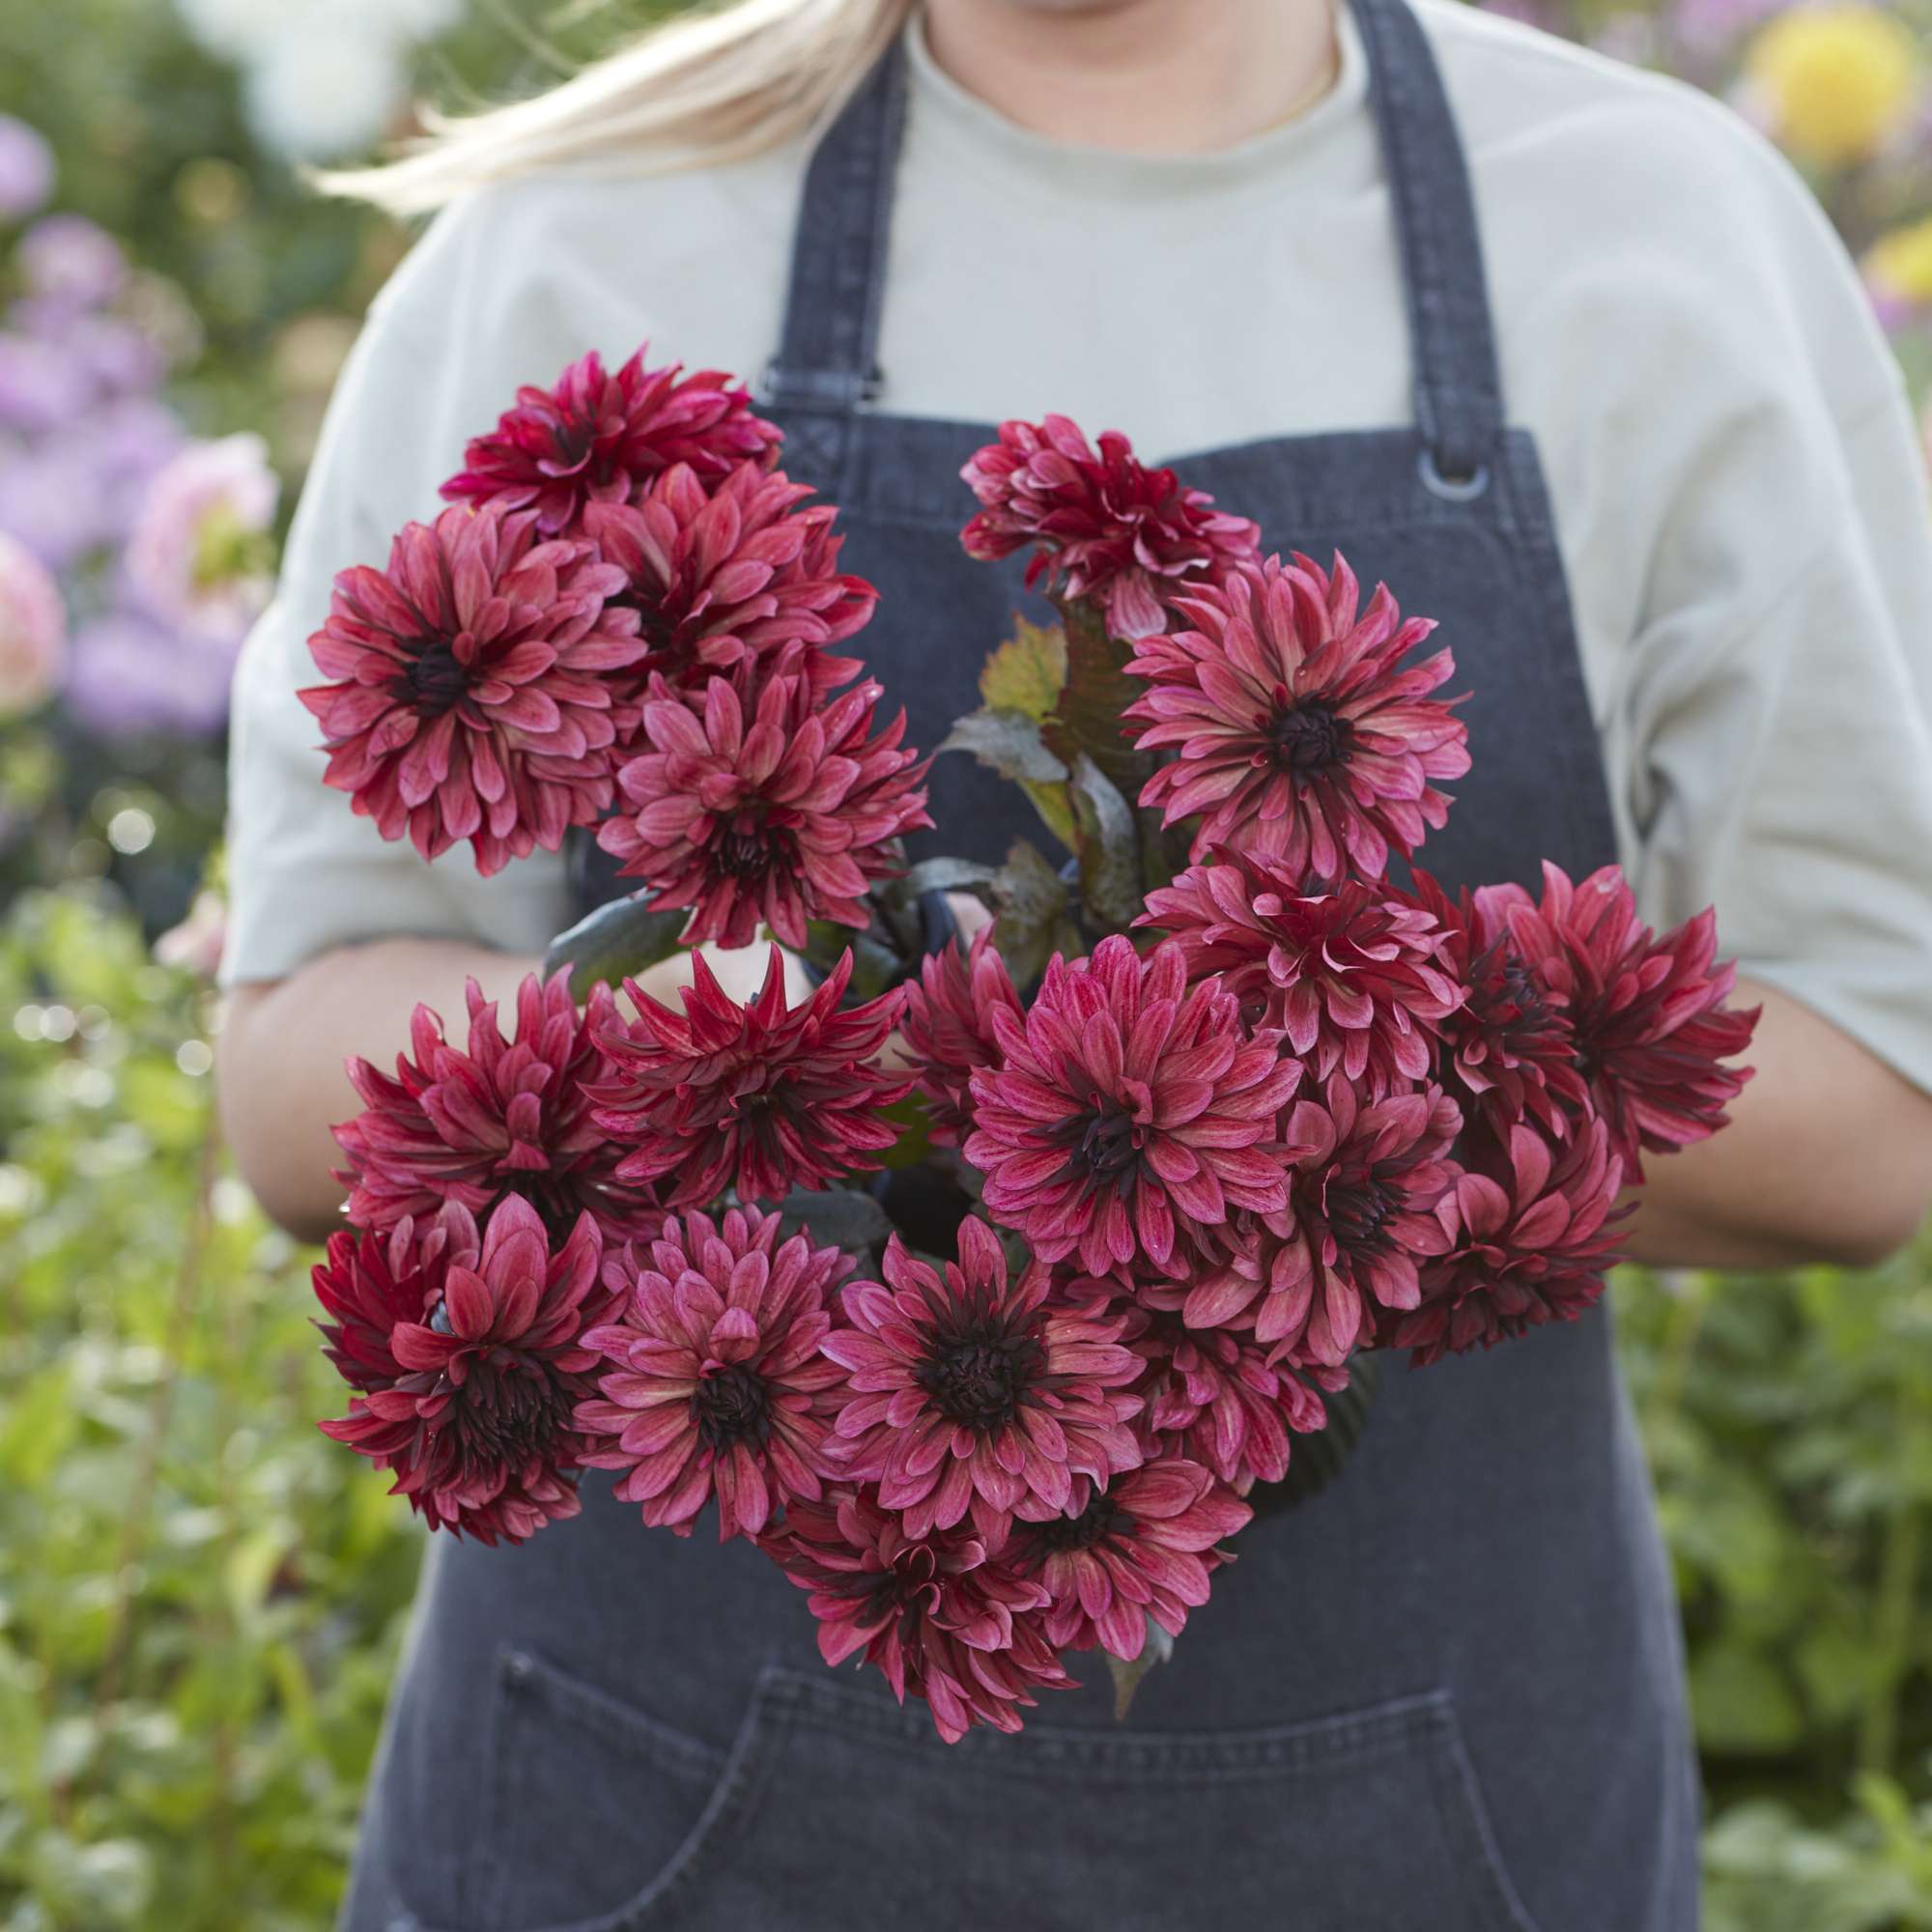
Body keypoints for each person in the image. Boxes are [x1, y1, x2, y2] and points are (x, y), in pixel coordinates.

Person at [215, 0, 1932, 1925]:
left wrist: (1280, 1126)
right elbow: (293, 1069)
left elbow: (1866, 1101)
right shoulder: (577, 238)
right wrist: (740, 1062)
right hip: (647, 1826)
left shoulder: (1646, 229)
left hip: (1427, 1840)